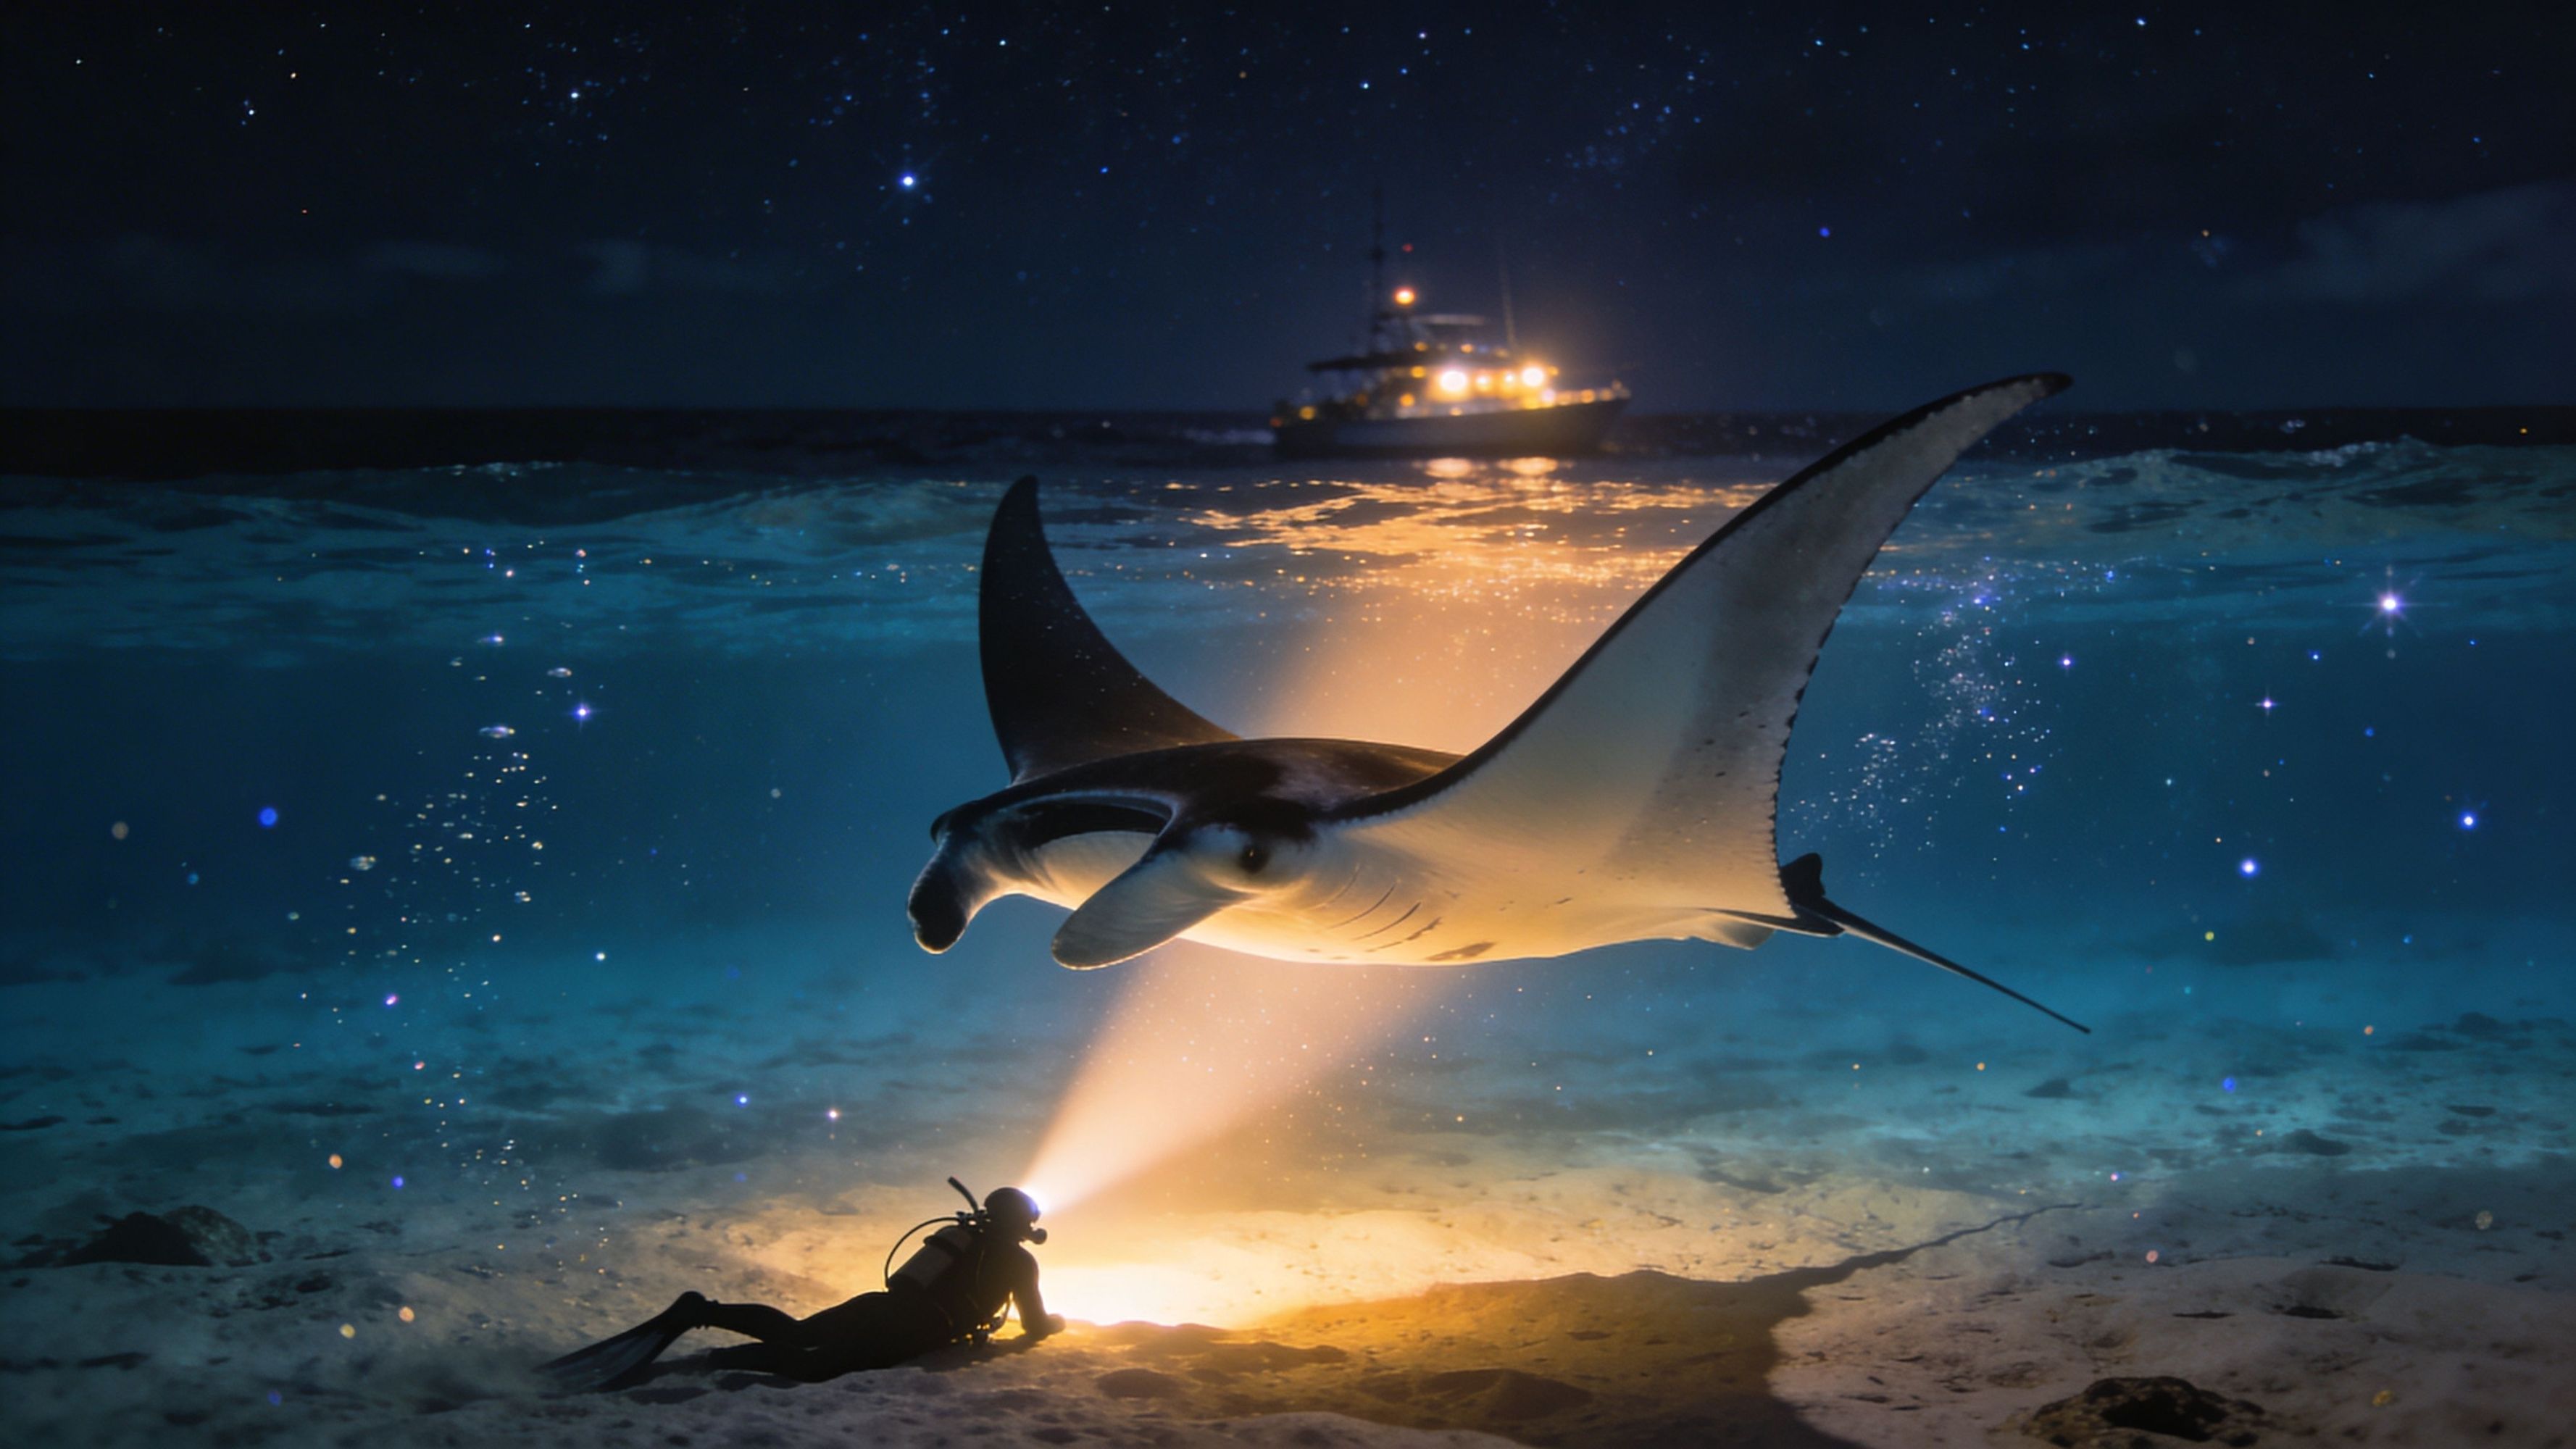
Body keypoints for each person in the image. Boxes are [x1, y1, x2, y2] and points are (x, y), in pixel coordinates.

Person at [541, 1185, 1063, 1390]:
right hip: (912, 1331)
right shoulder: (1019, 1263)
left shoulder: (961, 1237)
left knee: (797, 1333)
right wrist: (1055, 1324)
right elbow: (1036, 1325)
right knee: (814, 1366)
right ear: (1022, 1224)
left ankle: (703, 1311)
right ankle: (709, 1361)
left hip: (880, 1305)